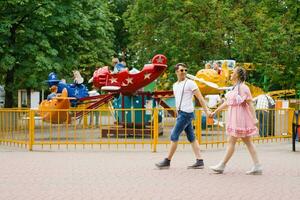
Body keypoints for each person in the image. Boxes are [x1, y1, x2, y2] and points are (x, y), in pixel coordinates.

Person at [155, 63, 211, 169]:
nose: (184, 72)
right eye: (181, 70)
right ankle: (200, 161)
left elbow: (200, 98)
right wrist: (177, 113)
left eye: (185, 70)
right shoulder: (175, 85)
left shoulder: (191, 83)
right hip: (181, 113)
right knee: (191, 137)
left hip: (186, 114)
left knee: (174, 135)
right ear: (176, 72)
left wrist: (207, 111)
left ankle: (167, 161)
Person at [209, 67, 262, 175]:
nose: (231, 73)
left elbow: (250, 103)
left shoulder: (243, 88)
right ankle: (257, 166)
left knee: (232, 142)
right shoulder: (235, 88)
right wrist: (216, 111)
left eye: (233, 72)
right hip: (236, 117)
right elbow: (228, 102)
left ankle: (222, 165)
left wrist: (254, 118)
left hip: (240, 118)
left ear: (237, 75)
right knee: (247, 142)